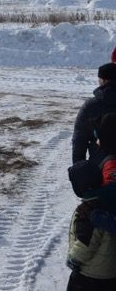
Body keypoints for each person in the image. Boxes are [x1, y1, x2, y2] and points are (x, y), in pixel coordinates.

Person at [66, 113, 116, 289]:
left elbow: (87, 242)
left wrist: (73, 259)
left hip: (91, 275)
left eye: (97, 136)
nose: (95, 141)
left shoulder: (110, 165)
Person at [72, 63, 116, 164]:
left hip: (100, 168)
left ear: (103, 80)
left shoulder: (90, 106)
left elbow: (79, 140)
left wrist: (79, 167)